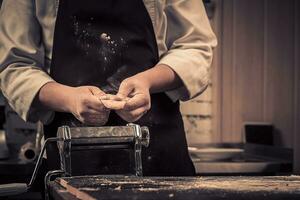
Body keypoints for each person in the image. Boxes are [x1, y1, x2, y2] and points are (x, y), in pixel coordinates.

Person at [0, 0, 217, 178]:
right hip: (72, 156)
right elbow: (14, 66)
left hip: (160, 152)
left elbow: (195, 46)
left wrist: (147, 81)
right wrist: (69, 99)